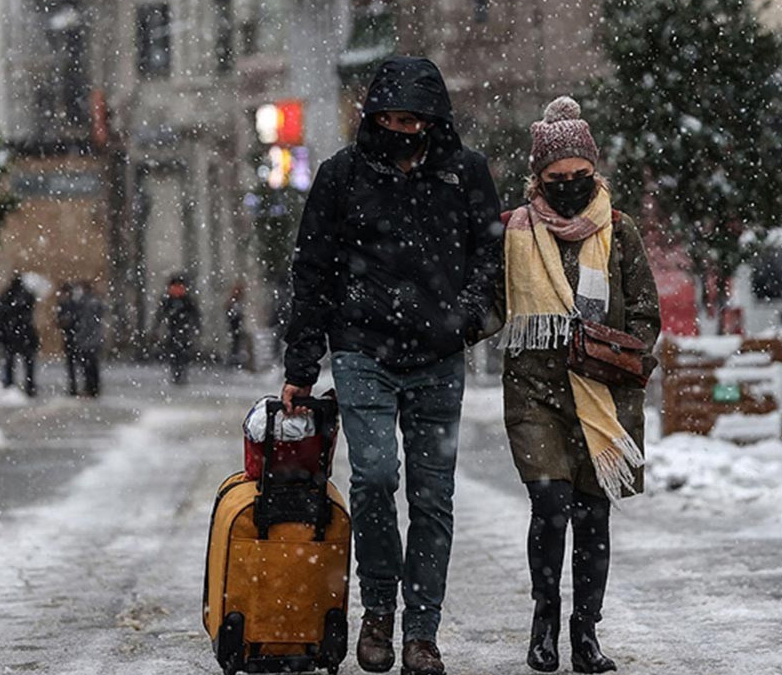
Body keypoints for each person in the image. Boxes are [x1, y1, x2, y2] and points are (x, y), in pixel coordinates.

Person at [280, 56, 502, 675]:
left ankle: (421, 632)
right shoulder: (340, 177)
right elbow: (313, 271)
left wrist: (463, 317)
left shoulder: (466, 175)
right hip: (362, 352)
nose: (402, 129)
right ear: (373, 115)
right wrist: (302, 364)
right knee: (374, 477)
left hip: (437, 355)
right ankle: (377, 610)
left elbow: (490, 255)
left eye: (414, 119)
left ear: (434, 121)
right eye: (391, 117)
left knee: (433, 497)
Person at [492, 96, 661, 673]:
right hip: (535, 392)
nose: (569, 186)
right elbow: (493, 305)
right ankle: (545, 620)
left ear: (595, 172)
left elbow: (645, 311)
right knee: (550, 505)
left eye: (580, 177)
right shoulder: (514, 233)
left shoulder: (619, 230)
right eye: (556, 178)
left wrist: (618, 352)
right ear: (536, 178)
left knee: (593, 515)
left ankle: (585, 633)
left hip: (603, 394)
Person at [0, 275, 39, 397]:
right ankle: (30, 386)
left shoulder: (8, 295)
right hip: (25, 333)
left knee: (10, 362)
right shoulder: (27, 295)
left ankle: (10, 384)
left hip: (12, 334)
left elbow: (2, 313)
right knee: (28, 363)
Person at [156, 274, 200, 385]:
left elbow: (194, 313)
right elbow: (161, 314)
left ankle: (179, 373)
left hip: (180, 329)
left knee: (179, 353)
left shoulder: (182, 299)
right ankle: (178, 373)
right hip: (177, 329)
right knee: (178, 353)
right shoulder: (178, 299)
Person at [71, 281, 105, 397]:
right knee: (91, 365)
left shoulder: (86, 304)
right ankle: (93, 388)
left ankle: (91, 388)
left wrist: (79, 336)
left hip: (89, 340)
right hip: (94, 339)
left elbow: (86, 324)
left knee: (88, 365)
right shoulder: (92, 302)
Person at [56, 282, 79, 395]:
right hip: (70, 337)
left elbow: (76, 319)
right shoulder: (63, 304)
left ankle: (75, 386)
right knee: (71, 364)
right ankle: (73, 386)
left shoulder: (73, 304)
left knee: (76, 363)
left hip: (75, 337)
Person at [224, 282, 247, 368]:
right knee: (235, 344)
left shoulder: (236, 303)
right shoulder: (234, 303)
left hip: (236, 327)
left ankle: (235, 360)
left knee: (236, 344)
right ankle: (234, 361)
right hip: (234, 327)